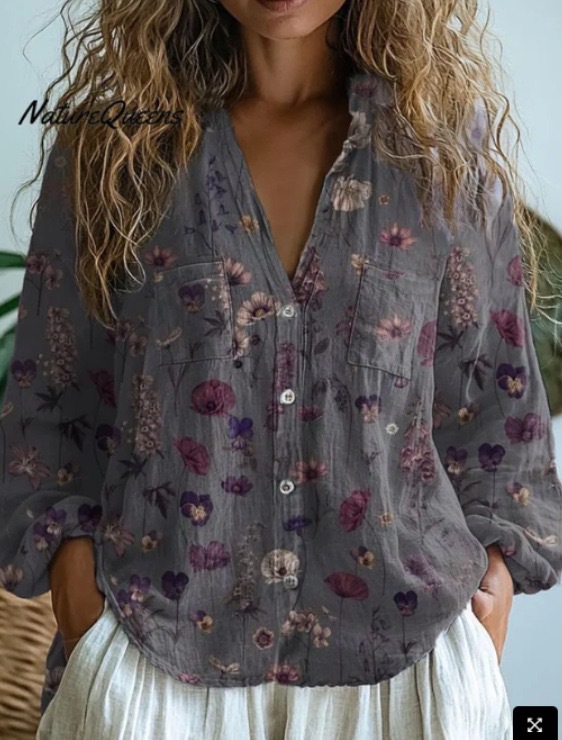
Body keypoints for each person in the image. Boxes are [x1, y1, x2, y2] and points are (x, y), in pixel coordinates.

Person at [1, 0, 560, 738]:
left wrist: (491, 596)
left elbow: (495, 407)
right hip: (156, 662)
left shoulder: (439, 153)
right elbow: (52, 400)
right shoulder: (114, 150)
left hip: (402, 670)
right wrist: (79, 598)